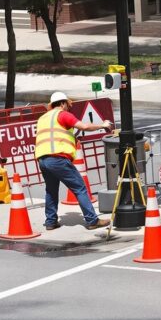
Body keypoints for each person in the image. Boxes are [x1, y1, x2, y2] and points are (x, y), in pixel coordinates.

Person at [34, 92, 111, 230]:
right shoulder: (63, 114)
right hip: (58, 158)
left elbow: (54, 134)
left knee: (51, 190)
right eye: (68, 105)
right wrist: (103, 125)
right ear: (63, 103)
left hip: (42, 159)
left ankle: (51, 222)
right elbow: (85, 127)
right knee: (80, 188)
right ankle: (92, 220)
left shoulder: (43, 118)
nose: (69, 107)